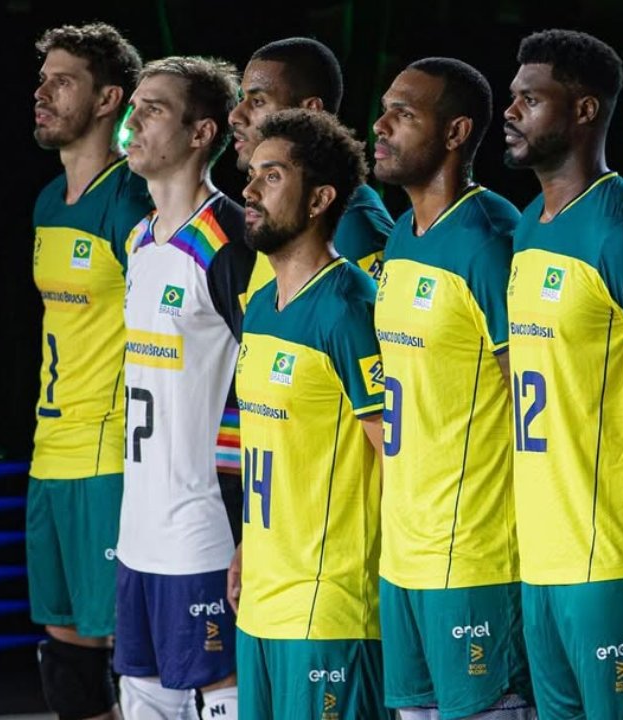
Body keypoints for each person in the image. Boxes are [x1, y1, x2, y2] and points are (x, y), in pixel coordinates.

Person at [503, 29, 623, 719]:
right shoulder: (527, 226)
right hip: (539, 555)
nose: (511, 113)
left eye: (530, 99)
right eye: (513, 97)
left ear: (583, 111)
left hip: (610, 555)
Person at [372, 57, 534, 720]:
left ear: (456, 132)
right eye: (384, 109)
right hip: (402, 553)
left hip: (474, 557)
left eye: (403, 114)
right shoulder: (401, 240)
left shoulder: (490, 239)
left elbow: (530, 396)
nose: (380, 126)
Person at [229, 108, 387, 720]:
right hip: (261, 604)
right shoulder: (260, 305)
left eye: (272, 177)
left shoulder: (348, 309)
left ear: (320, 199)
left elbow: (394, 457)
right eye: (252, 174)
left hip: (329, 609)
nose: (249, 190)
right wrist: (247, 545)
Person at [114, 56, 253, 720]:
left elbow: (263, 384)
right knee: (141, 694)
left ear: (201, 134)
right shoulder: (140, 241)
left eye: (154, 109)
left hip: (202, 531)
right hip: (137, 531)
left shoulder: (228, 242)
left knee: (219, 691)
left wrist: (251, 525)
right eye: (133, 106)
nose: (132, 121)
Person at [27, 22, 149, 720]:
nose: (42, 93)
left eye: (62, 81)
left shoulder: (130, 201)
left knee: (130, 650)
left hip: (109, 459)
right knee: (66, 653)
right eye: (42, 79)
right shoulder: (48, 201)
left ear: (108, 100)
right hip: (50, 452)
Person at [228, 37, 392, 294]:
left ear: (311, 111)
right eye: (241, 98)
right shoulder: (278, 218)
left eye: (258, 101)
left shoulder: (354, 224)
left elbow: (389, 318)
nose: (235, 115)